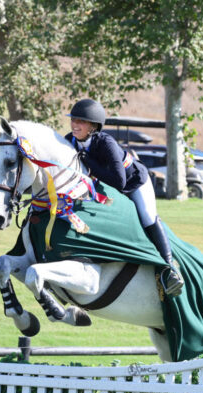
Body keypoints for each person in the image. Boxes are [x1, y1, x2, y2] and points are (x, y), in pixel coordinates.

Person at [65, 98, 183, 296]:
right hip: (103, 186)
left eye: (81, 121)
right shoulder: (70, 140)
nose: (75, 125)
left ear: (93, 126)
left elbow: (120, 182)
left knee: (148, 218)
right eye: (73, 120)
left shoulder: (105, 143)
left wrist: (91, 163)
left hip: (134, 182)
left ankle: (169, 269)